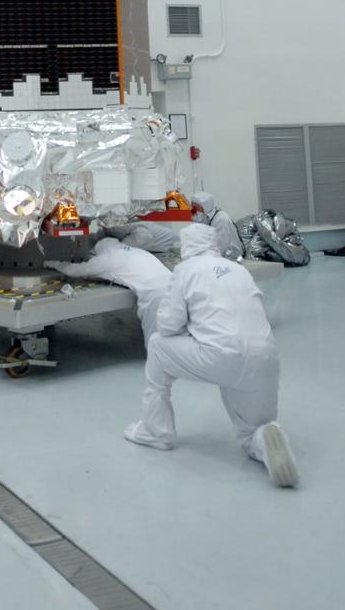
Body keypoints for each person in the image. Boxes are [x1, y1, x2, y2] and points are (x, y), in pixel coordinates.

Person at [124, 224, 298, 488]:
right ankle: (266, 437)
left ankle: (155, 431)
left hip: (220, 357)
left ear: (187, 247)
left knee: (158, 345)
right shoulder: (239, 270)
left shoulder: (186, 270)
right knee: (251, 430)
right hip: (265, 358)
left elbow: (169, 325)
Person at [47, 237, 172, 343]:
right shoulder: (134, 250)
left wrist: (54, 264)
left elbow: (75, 271)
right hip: (174, 284)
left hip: (154, 293)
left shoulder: (106, 258)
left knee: (157, 338)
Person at [192, 190, 244, 260]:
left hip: (232, 259)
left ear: (205, 207)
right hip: (217, 258)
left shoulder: (221, 219)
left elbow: (220, 248)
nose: (193, 211)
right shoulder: (204, 218)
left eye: (196, 208)